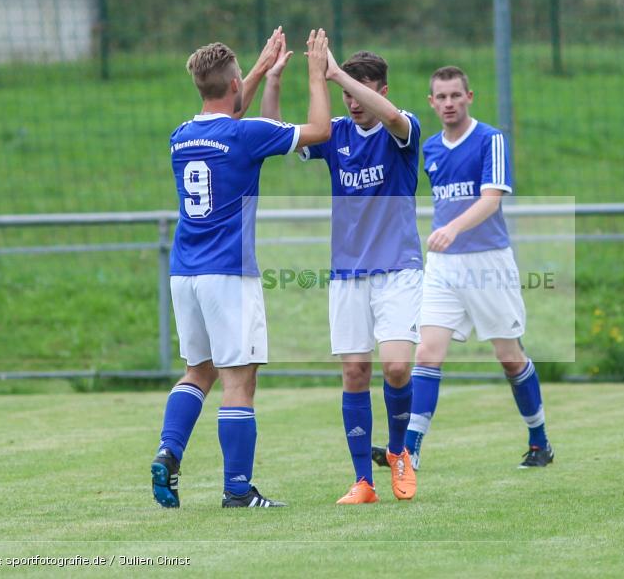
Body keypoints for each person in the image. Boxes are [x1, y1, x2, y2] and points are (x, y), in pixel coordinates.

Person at [150, 28, 332, 508]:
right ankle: (237, 490)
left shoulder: (181, 136)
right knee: (239, 379)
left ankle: (169, 451)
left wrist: (255, 70)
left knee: (198, 371)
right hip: (229, 272)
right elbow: (320, 131)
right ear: (232, 87)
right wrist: (316, 76)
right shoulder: (246, 134)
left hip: (184, 271)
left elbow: (228, 108)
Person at [372, 66, 554, 471]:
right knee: (428, 354)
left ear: (469, 97)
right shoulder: (432, 148)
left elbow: (492, 198)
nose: (449, 103)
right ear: (431, 102)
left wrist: (452, 228)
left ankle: (539, 440)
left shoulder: (490, 140)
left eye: (456, 95)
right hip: (443, 267)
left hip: (489, 262)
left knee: (509, 357)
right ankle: (410, 450)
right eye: (442, 97)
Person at [262, 49, 422, 504]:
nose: (351, 102)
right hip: (348, 272)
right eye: (344, 92)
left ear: (381, 90)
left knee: (395, 367)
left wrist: (334, 74)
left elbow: (389, 116)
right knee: (355, 371)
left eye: (361, 90)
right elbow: (277, 133)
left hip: (398, 269)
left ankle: (398, 453)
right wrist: (274, 80)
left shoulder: (401, 127)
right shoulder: (337, 135)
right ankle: (362, 482)